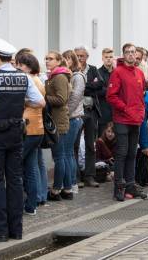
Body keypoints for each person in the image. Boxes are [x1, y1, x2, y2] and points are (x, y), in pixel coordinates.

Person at [0, 38, 45, 242]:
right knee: (15, 180)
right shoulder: (23, 78)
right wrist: (19, 100)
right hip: (17, 133)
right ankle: (16, 229)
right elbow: (40, 102)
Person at [106, 43, 147, 201]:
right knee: (122, 153)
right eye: (128, 52)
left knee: (132, 153)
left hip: (135, 120)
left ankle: (131, 185)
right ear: (124, 54)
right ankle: (119, 187)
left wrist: (141, 111)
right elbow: (111, 96)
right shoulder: (118, 72)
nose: (131, 55)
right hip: (122, 119)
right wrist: (125, 108)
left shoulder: (139, 73)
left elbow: (141, 95)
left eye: (133, 52)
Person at [15, 53, 46, 215]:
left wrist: (24, 101)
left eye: (18, 65)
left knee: (18, 166)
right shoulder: (38, 79)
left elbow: (37, 102)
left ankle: (18, 202)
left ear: (25, 66)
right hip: (37, 128)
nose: (16, 68)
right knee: (31, 167)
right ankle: (31, 204)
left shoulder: (27, 79)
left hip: (27, 128)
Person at [43, 51, 71, 201]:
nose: (47, 61)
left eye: (51, 59)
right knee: (63, 156)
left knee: (59, 157)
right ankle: (67, 189)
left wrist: (43, 97)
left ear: (59, 61)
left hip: (58, 121)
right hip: (57, 119)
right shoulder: (53, 76)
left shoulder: (59, 77)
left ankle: (56, 190)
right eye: (46, 59)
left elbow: (61, 99)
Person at [75, 46, 100, 187]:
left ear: (87, 57)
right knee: (75, 144)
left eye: (82, 56)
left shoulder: (93, 69)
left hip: (90, 110)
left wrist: (85, 86)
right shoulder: (72, 70)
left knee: (91, 144)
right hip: (77, 111)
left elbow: (101, 85)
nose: (79, 58)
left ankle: (90, 176)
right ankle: (76, 177)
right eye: (77, 56)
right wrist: (91, 85)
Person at [62, 50, 86, 193]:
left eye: (68, 59)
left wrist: (65, 113)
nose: (65, 61)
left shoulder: (78, 77)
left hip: (73, 118)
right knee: (69, 151)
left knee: (68, 152)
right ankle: (71, 183)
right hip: (70, 117)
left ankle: (72, 183)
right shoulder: (69, 75)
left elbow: (75, 97)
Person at [97, 48, 115, 136]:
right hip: (103, 114)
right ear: (102, 58)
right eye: (106, 57)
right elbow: (98, 91)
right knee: (102, 142)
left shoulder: (117, 73)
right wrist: (113, 91)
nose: (108, 59)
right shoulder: (97, 73)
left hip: (116, 114)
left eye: (111, 57)